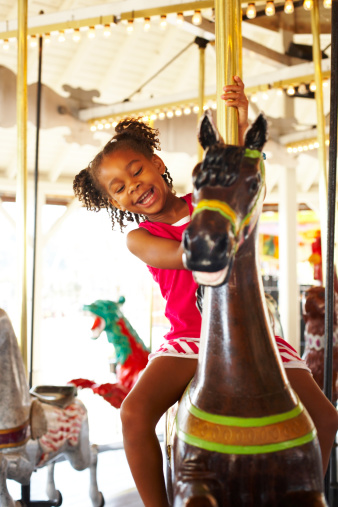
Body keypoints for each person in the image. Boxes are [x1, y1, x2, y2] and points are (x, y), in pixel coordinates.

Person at [73, 77, 338, 507]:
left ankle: (302, 490)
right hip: (192, 339)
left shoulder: (211, 201)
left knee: (324, 417)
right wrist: (218, 230)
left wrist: (239, 118)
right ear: (117, 203)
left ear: (157, 163)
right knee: (134, 414)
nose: (133, 185)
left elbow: (247, 181)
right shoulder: (141, 237)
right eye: (119, 187)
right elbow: (190, 254)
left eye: (136, 170)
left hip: (252, 335)